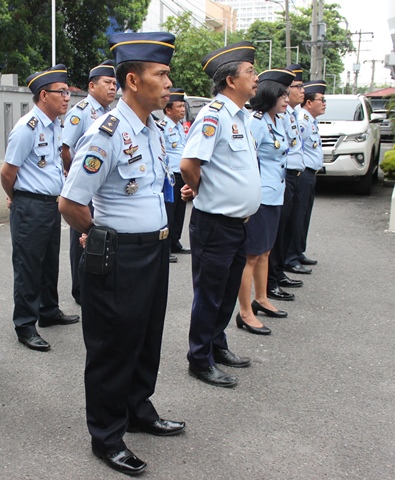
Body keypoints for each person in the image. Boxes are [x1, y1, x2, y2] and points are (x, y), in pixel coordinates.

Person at [59, 32, 185, 476]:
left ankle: (138, 408)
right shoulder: (105, 133)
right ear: (133, 79)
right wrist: (96, 235)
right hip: (120, 256)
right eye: (161, 74)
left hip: (154, 251)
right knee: (113, 346)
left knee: (146, 336)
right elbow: (70, 202)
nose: (169, 82)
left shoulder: (153, 128)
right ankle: (107, 436)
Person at [180, 42, 261, 387]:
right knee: (210, 293)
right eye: (250, 73)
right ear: (230, 80)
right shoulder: (214, 115)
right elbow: (188, 164)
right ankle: (199, 358)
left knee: (227, 292)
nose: (256, 78)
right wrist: (201, 189)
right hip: (215, 223)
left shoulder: (240, 116)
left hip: (237, 223)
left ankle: (216, 344)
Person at [0, 64, 79, 352]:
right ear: (44, 95)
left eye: (68, 92)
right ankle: (24, 324)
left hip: (51, 206)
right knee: (28, 266)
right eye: (62, 92)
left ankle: (48, 311)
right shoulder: (27, 128)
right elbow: (8, 172)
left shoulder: (56, 125)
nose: (67, 97)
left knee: (48, 262)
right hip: (30, 206)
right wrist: (17, 197)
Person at [236, 68, 295, 335]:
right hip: (260, 196)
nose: (287, 99)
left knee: (265, 252)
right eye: (282, 94)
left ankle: (261, 299)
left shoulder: (277, 120)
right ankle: (245, 311)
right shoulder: (256, 122)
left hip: (275, 194)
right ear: (270, 94)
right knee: (250, 255)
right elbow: (247, 161)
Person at [61, 60, 117, 304]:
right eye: (107, 82)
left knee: (97, 236)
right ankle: (80, 289)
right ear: (92, 85)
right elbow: (65, 148)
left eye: (115, 83)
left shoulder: (109, 115)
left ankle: (95, 282)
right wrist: (74, 177)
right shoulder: (81, 111)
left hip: (100, 189)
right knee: (81, 237)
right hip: (85, 187)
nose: (113, 88)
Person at [267, 64, 305, 302]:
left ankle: (277, 273)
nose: (297, 92)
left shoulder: (286, 116)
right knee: (265, 245)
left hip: (283, 181)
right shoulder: (259, 120)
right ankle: (271, 282)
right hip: (270, 188)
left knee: (282, 232)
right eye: (292, 88)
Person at [284, 80, 327, 274]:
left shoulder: (308, 120)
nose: (324, 103)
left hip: (309, 173)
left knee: (304, 215)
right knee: (297, 216)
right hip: (301, 174)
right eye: (321, 99)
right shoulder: (301, 120)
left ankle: (297, 251)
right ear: (310, 103)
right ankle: (290, 256)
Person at [160, 87, 190, 263]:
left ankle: (175, 241)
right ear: (168, 109)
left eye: (183, 106)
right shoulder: (162, 127)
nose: (182, 109)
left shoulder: (181, 127)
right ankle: (166, 246)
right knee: (169, 211)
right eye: (178, 106)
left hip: (182, 174)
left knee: (180, 211)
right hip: (170, 175)